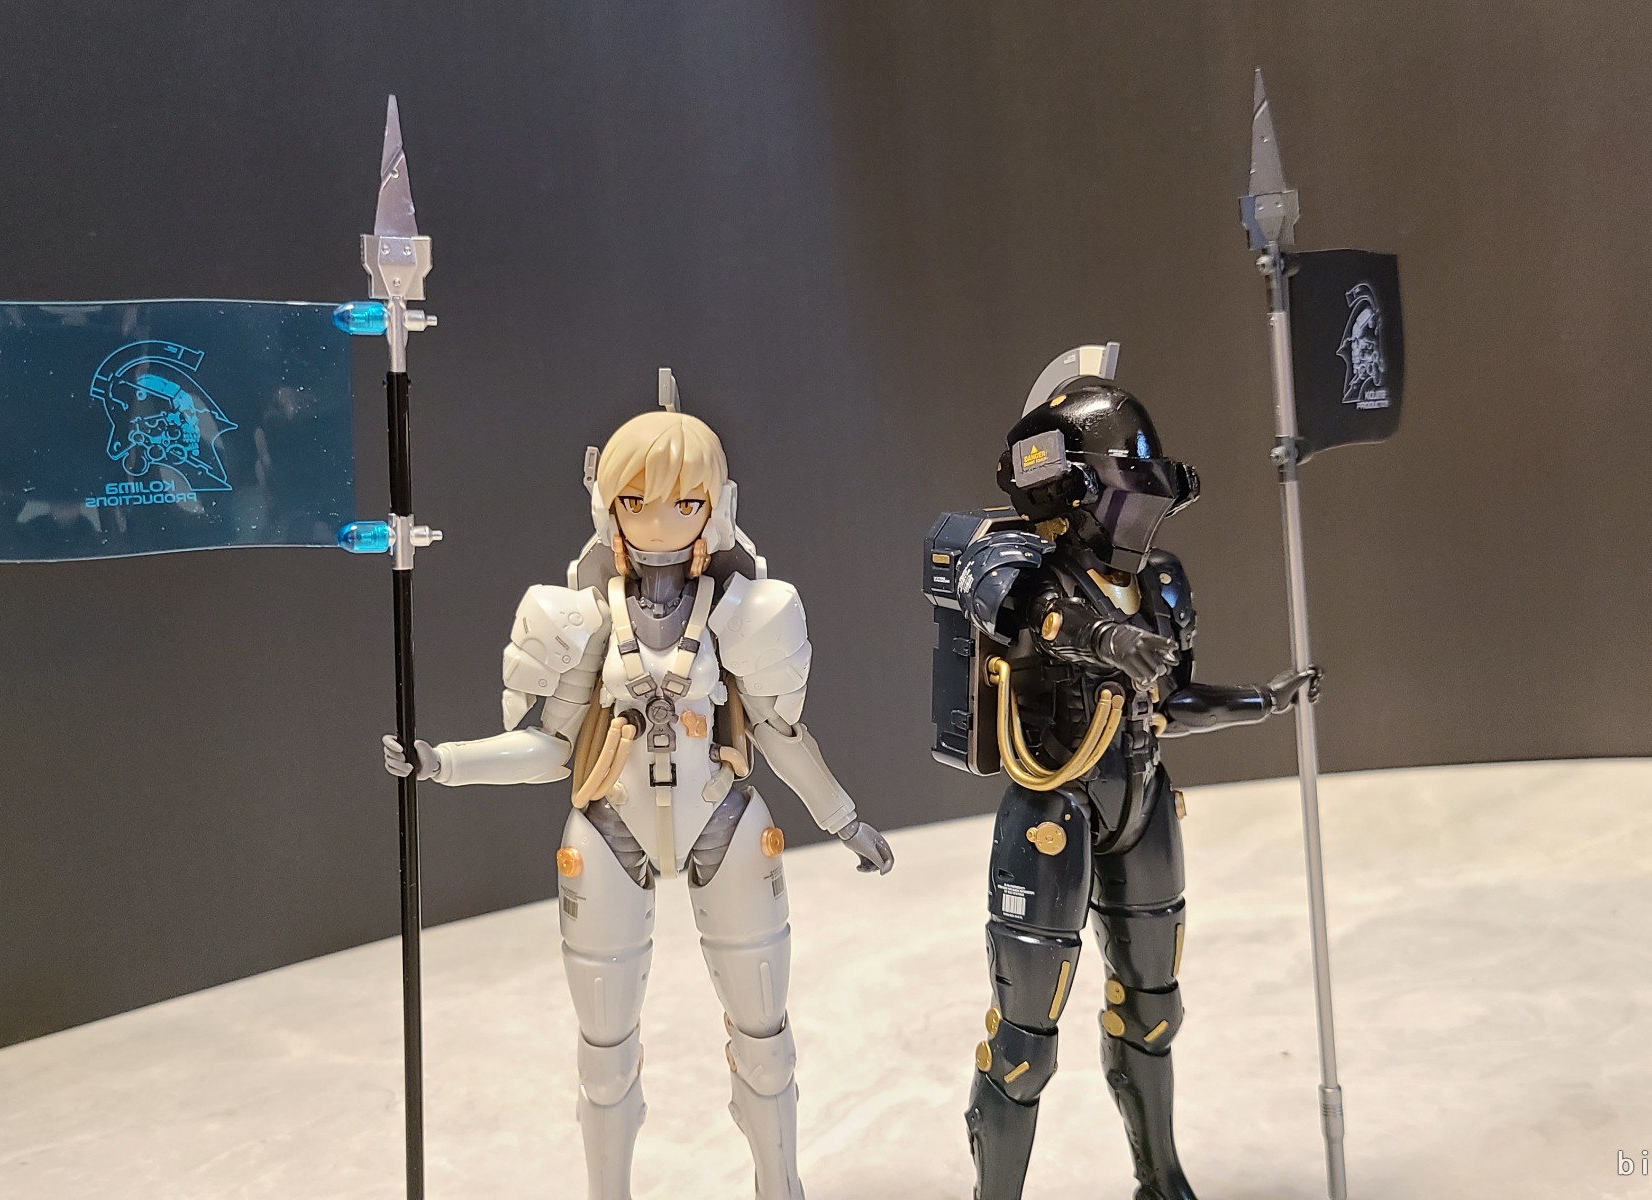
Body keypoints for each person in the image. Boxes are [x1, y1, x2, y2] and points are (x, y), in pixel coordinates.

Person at [384, 388, 892, 1200]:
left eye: (684, 502)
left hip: (722, 818)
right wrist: (442, 762)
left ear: (718, 506)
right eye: (636, 500)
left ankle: (780, 1187)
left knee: (764, 1041)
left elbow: (779, 734)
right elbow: (548, 749)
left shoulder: (750, 613)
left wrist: (844, 819)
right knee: (604, 1053)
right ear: (605, 505)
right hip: (608, 825)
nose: (659, 520)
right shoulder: (574, 617)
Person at [948, 350, 1316, 1200]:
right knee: (1024, 1040)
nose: (1137, 517)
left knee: (1153, 1011)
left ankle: (1161, 1179)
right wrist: (1109, 640)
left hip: (1140, 798)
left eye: (1147, 496)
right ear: (1069, 489)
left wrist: (1263, 701)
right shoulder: (1011, 565)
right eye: (1124, 493)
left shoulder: (1159, 583)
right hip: (1054, 806)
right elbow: (1031, 614)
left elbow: (1168, 701)